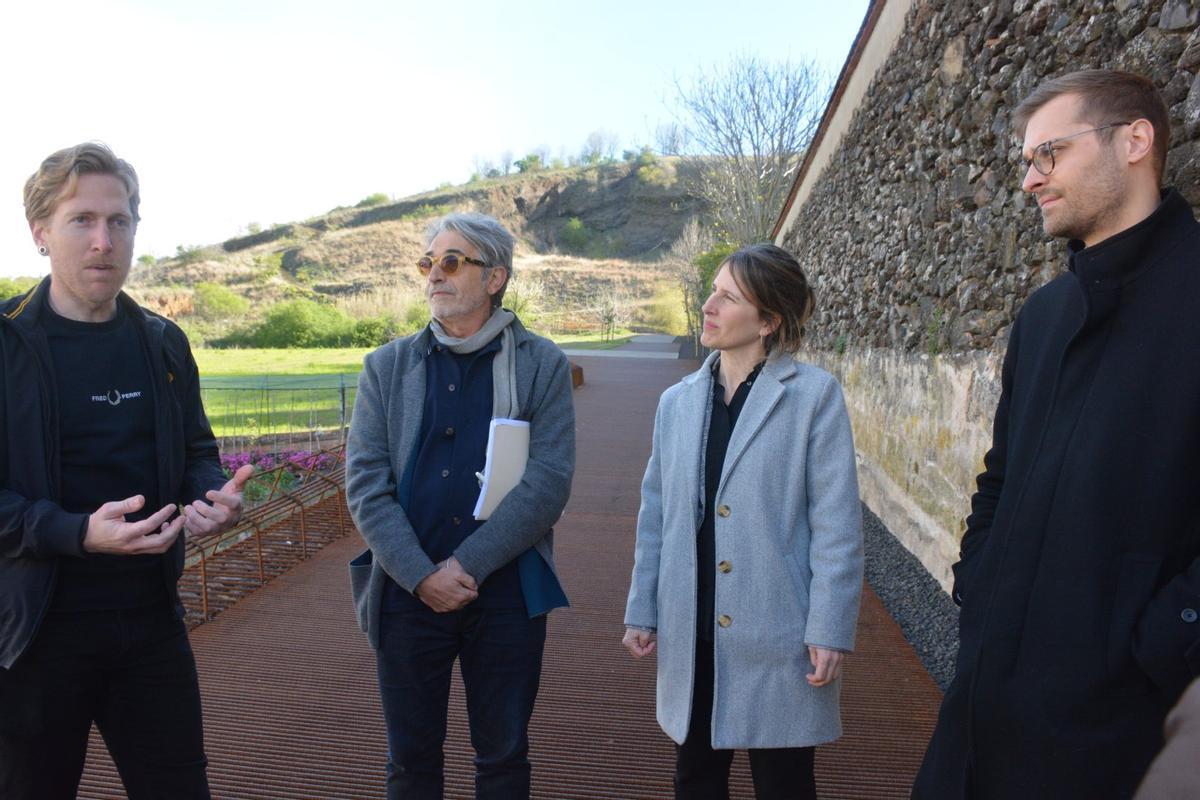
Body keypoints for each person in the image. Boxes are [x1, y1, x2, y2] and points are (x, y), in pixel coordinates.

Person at [913, 70, 1200, 800]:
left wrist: (1158, 647)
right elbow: (1001, 474)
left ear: (1135, 141)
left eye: (1050, 154)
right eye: (1026, 161)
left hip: (1120, 730)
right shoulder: (1044, 315)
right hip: (982, 707)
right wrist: (976, 585)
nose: (1030, 180)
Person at [0, 142, 253, 799]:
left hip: (150, 623)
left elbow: (198, 448)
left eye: (120, 221)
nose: (103, 240)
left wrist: (208, 495)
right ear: (39, 232)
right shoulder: (6, 347)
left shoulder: (164, 343)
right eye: (81, 220)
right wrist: (76, 532)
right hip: (35, 636)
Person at [346, 211, 575, 799]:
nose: (434, 275)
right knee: (410, 763)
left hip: (505, 591)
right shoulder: (387, 366)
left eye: (451, 261)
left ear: (495, 276)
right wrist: (423, 576)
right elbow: (366, 485)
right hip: (405, 589)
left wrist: (466, 565)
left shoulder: (541, 363)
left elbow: (548, 482)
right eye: (428, 262)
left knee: (502, 759)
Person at [623, 243, 863, 800]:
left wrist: (830, 626)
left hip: (778, 626)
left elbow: (836, 526)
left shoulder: (813, 398)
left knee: (784, 785)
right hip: (692, 624)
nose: (708, 304)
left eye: (727, 297)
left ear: (768, 321)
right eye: (713, 290)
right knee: (696, 778)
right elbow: (655, 512)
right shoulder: (676, 403)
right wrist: (644, 606)